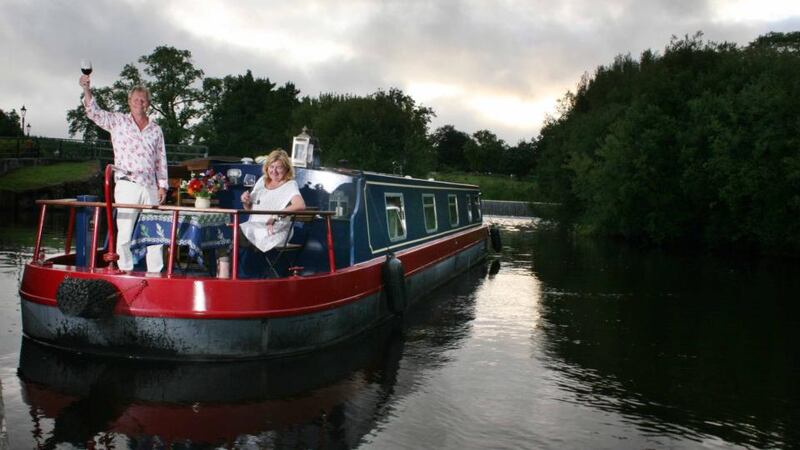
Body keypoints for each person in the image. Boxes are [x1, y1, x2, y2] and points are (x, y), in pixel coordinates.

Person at [79, 74, 167, 272]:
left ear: (149, 104)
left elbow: (161, 159)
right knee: (125, 231)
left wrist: (163, 186)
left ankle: (156, 272)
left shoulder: (156, 129)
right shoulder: (117, 121)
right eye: (136, 99)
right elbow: (94, 113)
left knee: (156, 232)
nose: (139, 103)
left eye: (143, 100)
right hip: (127, 183)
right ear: (129, 102)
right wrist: (86, 89)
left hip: (151, 186)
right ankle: (125, 270)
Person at [239, 149, 306, 253]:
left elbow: (300, 205)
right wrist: (245, 201)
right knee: (226, 234)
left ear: (287, 169)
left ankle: (225, 267)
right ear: (267, 167)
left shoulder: (289, 184)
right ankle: (225, 267)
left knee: (232, 235)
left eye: (279, 167)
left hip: (274, 230)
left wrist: (275, 215)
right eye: (271, 166)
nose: (274, 171)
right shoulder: (262, 180)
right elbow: (249, 209)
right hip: (255, 226)